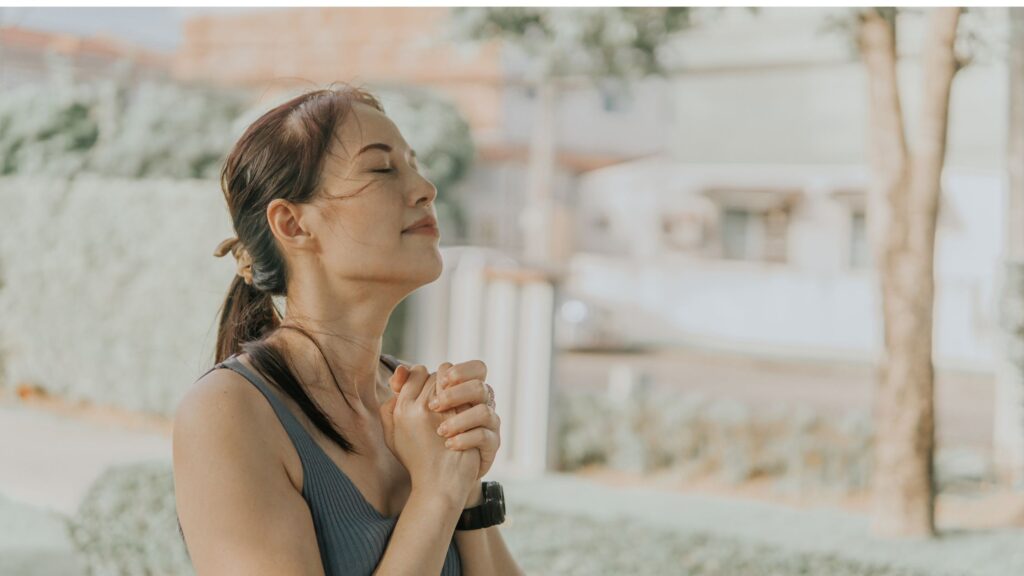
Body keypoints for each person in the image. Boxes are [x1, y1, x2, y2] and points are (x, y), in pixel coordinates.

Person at [172, 85, 523, 576]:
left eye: (414, 163)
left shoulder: (421, 408)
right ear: (292, 225)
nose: (426, 188)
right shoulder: (227, 414)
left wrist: (466, 491)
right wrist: (436, 495)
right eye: (382, 169)